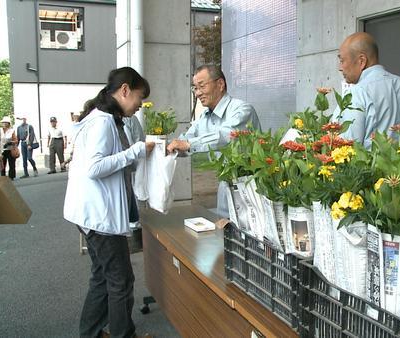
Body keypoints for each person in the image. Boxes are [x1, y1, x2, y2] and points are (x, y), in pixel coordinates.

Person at [63, 67, 155, 338]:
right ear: (125, 90)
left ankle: (91, 333)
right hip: (100, 218)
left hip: (89, 214)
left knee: (103, 278)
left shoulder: (100, 118)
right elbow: (95, 167)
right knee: (120, 281)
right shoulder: (104, 122)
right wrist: (136, 150)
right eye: (140, 97)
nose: (140, 105)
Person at [166, 65, 261, 217]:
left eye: (201, 86)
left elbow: (226, 135)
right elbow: (185, 140)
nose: (197, 93)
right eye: (195, 88)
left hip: (250, 189)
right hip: (225, 187)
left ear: (220, 84)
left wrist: (189, 144)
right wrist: (162, 146)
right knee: (225, 233)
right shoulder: (204, 118)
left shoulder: (242, 110)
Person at [333, 32, 400, 149]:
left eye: (342, 60)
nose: (340, 68)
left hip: (370, 167)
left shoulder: (357, 93)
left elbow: (347, 149)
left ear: (361, 61)